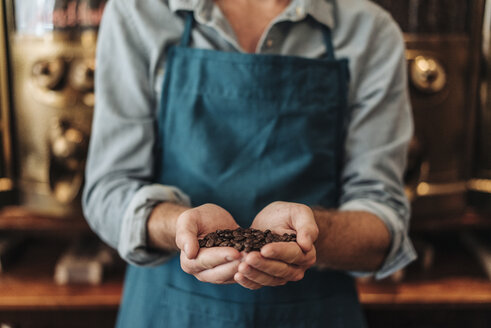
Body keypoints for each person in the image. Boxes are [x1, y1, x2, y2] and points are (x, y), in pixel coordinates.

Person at [83, 0, 417, 326]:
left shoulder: (370, 30)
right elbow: (109, 191)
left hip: (316, 312)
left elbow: (383, 224)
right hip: (169, 309)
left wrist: (309, 235)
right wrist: (179, 227)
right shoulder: (137, 12)